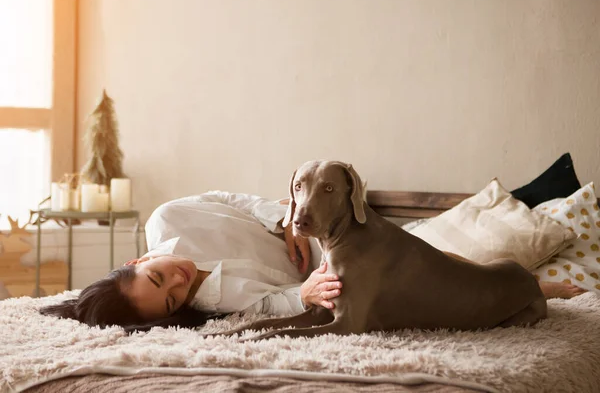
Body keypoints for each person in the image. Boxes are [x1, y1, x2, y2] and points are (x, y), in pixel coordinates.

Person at [40, 191, 586, 333]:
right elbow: (270, 303)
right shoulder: (214, 299)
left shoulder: (168, 218)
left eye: (159, 275)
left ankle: (538, 282)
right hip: (325, 270)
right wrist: (302, 296)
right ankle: (545, 288)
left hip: (315, 228)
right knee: (428, 267)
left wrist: (282, 221)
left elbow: (230, 200)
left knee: (430, 251)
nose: (177, 282)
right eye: (171, 298)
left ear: (140, 257)